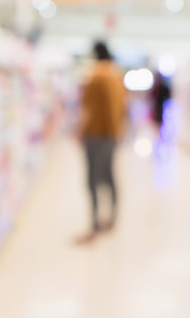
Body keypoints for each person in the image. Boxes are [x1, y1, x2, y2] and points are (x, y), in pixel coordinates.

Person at [76, 41, 126, 243]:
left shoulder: (95, 77)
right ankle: (112, 218)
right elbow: (124, 109)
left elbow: (87, 110)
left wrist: (79, 132)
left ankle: (94, 226)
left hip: (95, 136)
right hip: (112, 135)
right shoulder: (117, 77)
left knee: (92, 180)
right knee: (109, 176)